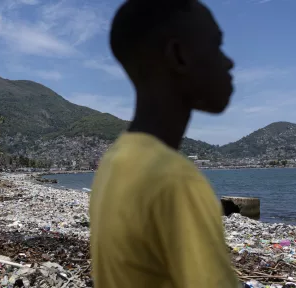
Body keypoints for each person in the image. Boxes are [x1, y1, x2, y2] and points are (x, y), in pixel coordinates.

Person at [89, 0, 238, 287]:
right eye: (216, 45)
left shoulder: (114, 162)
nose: (229, 61)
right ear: (179, 56)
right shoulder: (174, 179)